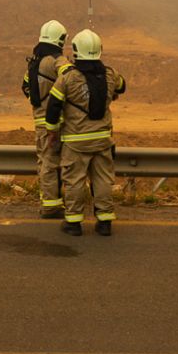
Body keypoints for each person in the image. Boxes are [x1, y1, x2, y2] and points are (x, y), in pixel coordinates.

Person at [43, 29, 126, 237]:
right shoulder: (110, 74)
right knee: (103, 180)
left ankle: (73, 223)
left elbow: (53, 107)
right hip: (102, 140)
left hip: (75, 142)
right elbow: (122, 86)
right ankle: (104, 222)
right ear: (99, 49)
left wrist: (52, 131)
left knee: (75, 181)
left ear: (76, 50)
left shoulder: (68, 78)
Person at [22, 20, 69, 219]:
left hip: (40, 121)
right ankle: (51, 206)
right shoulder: (57, 61)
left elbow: (25, 87)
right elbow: (72, 79)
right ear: (60, 39)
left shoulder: (34, 62)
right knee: (54, 163)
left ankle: (49, 201)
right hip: (56, 122)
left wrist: (39, 103)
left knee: (45, 162)